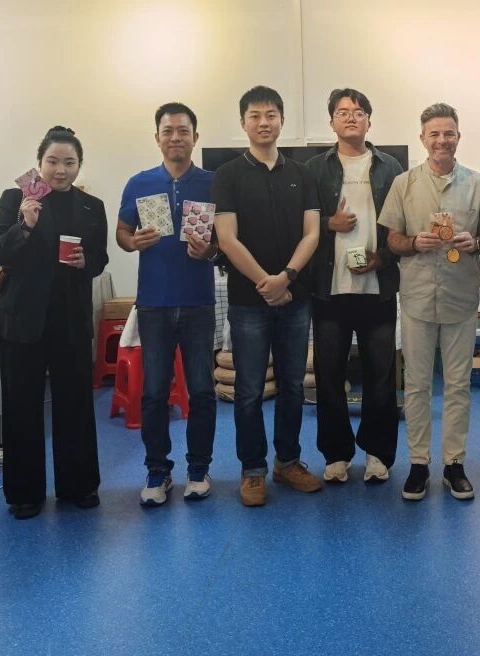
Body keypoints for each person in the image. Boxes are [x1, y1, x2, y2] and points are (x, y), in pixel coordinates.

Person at [379, 103, 480, 501]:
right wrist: (414, 242)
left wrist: (475, 242)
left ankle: (454, 464)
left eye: (448, 133)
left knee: (458, 385)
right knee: (416, 385)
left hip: (460, 297)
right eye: (434, 134)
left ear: (458, 137)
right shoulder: (404, 184)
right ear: (422, 138)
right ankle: (418, 464)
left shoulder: (477, 184)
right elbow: (392, 240)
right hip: (417, 298)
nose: (442, 140)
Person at [0, 126, 108, 520]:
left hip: (71, 320)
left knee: (75, 404)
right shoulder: (16, 199)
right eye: (53, 161)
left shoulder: (92, 207)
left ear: (79, 166)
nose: (60, 170)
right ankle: (25, 493)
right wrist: (25, 225)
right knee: (21, 406)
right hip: (21, 321)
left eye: (69, 162)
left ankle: (79, 485)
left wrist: (87, 262)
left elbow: (101, 258)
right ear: (39, 163)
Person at [212, 85, 322, 507]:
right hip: (248, 301)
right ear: (243, 123)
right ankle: (253, 470)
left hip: (295, 297)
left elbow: (312, 232)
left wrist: (287, 277)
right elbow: (227, 238)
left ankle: (288, 462)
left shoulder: (302, 173)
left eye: (271, 114)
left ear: (282, 120)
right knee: (250, 390)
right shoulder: (228, 175)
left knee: (293, 385)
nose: (263, 122)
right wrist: (267, 282)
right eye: (255, 116)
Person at [117, 102, 221, 507]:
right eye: (168, 131)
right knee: (154, 393)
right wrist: (133, 242)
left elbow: (225, 239)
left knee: (202, 391)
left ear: (195, 136)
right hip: (154, 304)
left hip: (198, 303)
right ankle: (157, 471)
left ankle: (199, 469)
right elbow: (122, 233)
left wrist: (209, 251)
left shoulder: (213, 183)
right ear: (157, 137)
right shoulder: (139, 183)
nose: (176, 137)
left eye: (183, 131)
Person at [306, 88, 403, 486]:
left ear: (369, 121)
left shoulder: (390, 166)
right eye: (343, 112)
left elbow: (402, 222)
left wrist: (384, 258)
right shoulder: (314, 168)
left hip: (377, 287)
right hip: (329, 288)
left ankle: (378, 453)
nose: (351, 117)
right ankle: (336, 454)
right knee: (329, 375)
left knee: (381, 374)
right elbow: (300, 220)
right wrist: (328, 224)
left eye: (359, 111)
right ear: (331, 121)